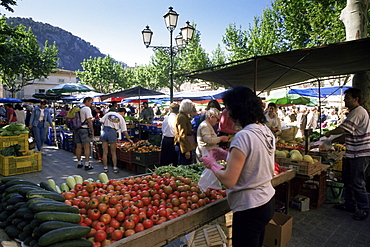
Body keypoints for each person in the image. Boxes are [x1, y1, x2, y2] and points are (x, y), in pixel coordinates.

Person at [201, 86, 275, 247]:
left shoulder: (243, 135)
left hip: (250, 208)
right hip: (266, 201)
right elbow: (253, 160)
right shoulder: (265, 131)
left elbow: (229, 180)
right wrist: (225, 155)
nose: (227, 114)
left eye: (228, 109)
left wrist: (212, 164)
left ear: (237, 110)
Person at [325, 88, 370, 221]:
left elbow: (343, 129)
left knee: (357, 182)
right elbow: (348, 134)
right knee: (349, 180)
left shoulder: (358, 112)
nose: (345, 100)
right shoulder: (354, 112)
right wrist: (332, 141)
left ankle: (363, 209)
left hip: (360, 154)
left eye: (347, 98)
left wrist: (329, 133)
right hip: (353, 153)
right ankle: (350, 204)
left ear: (356, 99)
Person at [100, 108, 133, 173]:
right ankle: (115, 168)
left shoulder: (109, 113)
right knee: (113, 152)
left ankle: (105, 168)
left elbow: (101, 121)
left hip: (104, 131)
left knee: (105, 152)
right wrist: (128, 139)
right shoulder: (121, 117)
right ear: (123, 113)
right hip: (113, 131)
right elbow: (124, 131)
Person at [75, 97, 94, 170]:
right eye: (90, 102)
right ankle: (87, 164)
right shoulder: (87, 109)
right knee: (87, 147)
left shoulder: (78, 107)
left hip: (77, 129)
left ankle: (79, 163)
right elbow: (89, 120)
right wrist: (92, 130)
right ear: (87, 101)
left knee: (78, 146)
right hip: (84, 129)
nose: (91, 104)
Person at [174, 99, 195, 165]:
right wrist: (186, 150)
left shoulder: (182, 116)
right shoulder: (182, 117)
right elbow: (182, 135)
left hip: (183, 145)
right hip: (183, 145)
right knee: (184, 165)